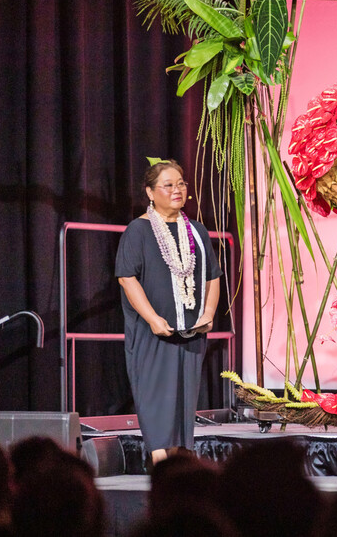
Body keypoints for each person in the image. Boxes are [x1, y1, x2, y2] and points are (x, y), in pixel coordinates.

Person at [116, 160, 221, 465]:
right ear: (150, 192)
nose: (177, 190)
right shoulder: (139, 229)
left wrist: (209, 313)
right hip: (154, 335)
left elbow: (213, 275)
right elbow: (126, 277)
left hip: (190, 333)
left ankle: (175, 473)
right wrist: (152, 318)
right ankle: (162, 470)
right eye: (168, 185)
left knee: (181, 409)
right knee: (156, 405)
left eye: (181, 184)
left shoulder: (197, 231)